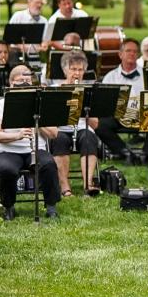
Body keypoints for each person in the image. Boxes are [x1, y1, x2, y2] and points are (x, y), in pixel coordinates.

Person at [0, 65, 60, 220]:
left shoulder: (40, 102)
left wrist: (37, 120)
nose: (24, 85)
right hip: (7, 151)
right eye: (20, 81)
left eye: (27, 81)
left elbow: (54, 134)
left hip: (35, 149)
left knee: (48, 164)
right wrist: (18, 135)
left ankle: (51, 207)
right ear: (11, 84)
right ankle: (9, 207)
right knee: (7, 169)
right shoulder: (1, 104)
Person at [50, 49, 100, 197]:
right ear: (65, 71)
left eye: (80, 70)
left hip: (82, 127)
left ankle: (88, 184)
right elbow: (49, 118)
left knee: (89, 138)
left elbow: (95, 124)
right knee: (60, 139)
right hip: (60, 128)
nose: (77, 73)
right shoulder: (54, 89)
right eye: (73, 69)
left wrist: (84, 110)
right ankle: (65, 186)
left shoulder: (89, 91)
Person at [100, 38, 144, 160]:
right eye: (128, 50)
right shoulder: (110, 77)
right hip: (118, 116)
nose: (132, 54)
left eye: (135, 51)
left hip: (142, 115)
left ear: (138, 55)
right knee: (100, 124)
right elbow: (103, 103)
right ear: (120, 54)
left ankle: (147, 154)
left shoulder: (146, 75)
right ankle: (123, 152)